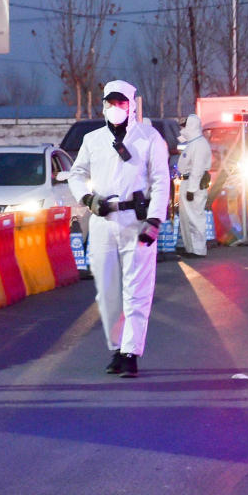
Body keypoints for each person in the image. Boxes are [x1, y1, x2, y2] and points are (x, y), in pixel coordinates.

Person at [68, 80, 170, 377]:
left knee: (136, 289)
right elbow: (76, 174)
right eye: (111, 103)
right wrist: (87, 198)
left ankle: (131, 352)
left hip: (135, 220)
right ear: (103, 105)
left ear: (133, 105)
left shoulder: (150, 138)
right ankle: (117, 347)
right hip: (102, 221)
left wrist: (154, 219)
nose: (116, 108)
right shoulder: (93, 140)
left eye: (122, 103)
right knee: (107, 290)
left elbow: (162, 181)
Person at [176, 114, 213, 258]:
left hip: (194, 184)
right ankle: (190, 248)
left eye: (185, 126)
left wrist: (191, 189)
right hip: (188, 182)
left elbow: (197, 169)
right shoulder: (194, 143)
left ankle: (198, 249)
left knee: (195, 217)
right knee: (187, 217)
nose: (183, 129)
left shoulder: (199, 144)